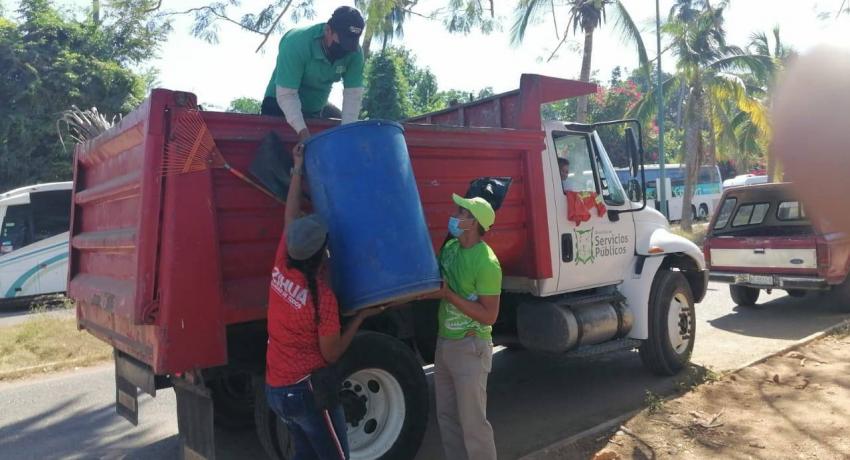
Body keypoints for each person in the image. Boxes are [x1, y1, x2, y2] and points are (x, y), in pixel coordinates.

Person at [265, 144, 382, 460]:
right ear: (323, 255)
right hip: (308, 395)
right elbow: (330, 354)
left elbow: (290, 215)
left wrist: (298, 167)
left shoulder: (282, 265)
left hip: (277, 390)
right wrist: (360, 318)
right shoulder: (323, 300)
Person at [425, 194, 502, 460]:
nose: (455, 216)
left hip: (471, 346)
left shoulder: (487, 263)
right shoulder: (450, 249)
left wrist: (449, 296)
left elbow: (489, 315)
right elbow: (435, 284)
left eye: (462, 213)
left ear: (475, 223)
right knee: (447, 417)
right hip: (445, 343)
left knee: (473, 424)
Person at [261, 6, 366, 153]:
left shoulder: (355, 53)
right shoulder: (296, 43)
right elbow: (287, 95)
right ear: (328, 30)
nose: (345, 49)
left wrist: (347, 136)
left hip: (314, 110)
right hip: (279, 106)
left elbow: (353, 95)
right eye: (341, 42)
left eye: (350, 44)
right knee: (276, 158)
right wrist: (303, 133)